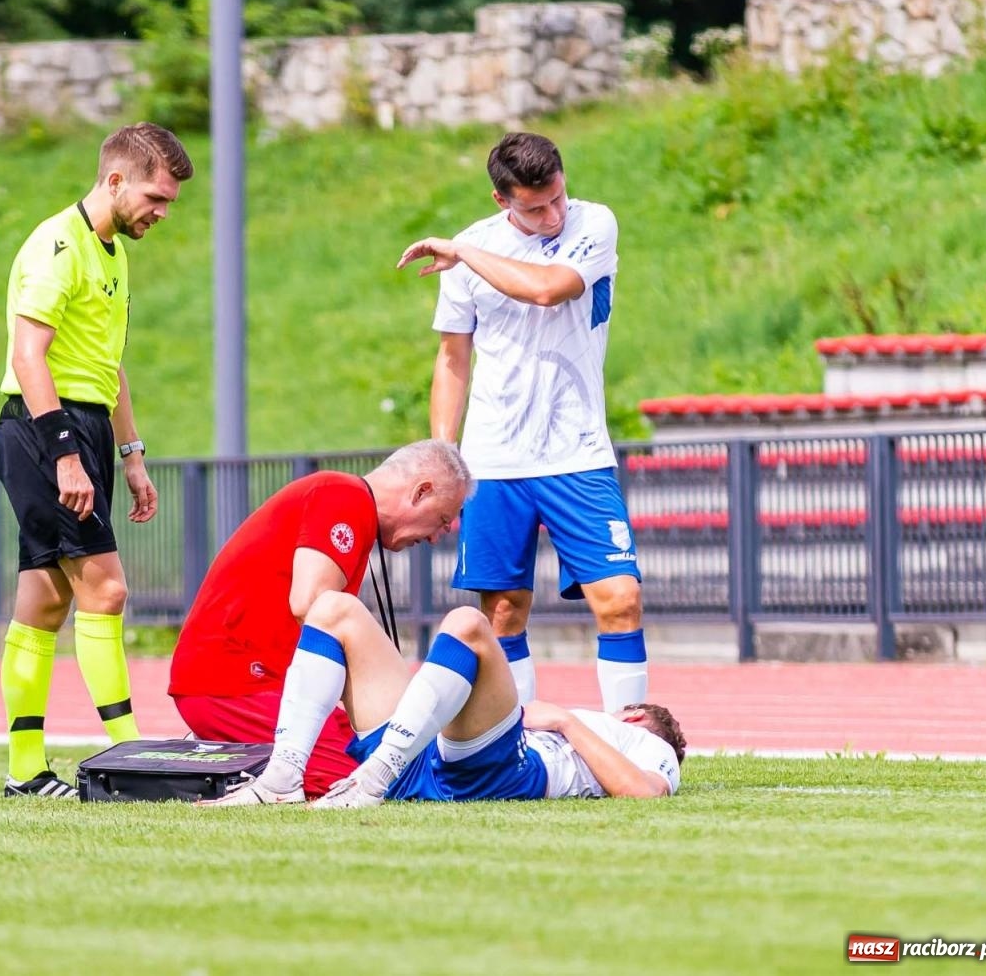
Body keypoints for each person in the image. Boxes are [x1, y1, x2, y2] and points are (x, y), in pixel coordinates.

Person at [399, 130, 647, 715]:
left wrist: (462, 254)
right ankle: (521, 742)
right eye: (534, 208)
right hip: (495, 459)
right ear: (500, 200)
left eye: (557, 198)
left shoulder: (594, 225)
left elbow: (546, 290)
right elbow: (452, 359)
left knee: (619, 600)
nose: (552, 215)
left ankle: (629, 740)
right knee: (503, 611)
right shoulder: (470, 246)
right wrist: (444, 456)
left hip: (577, 452)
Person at [0, 122, 193, 798]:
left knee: (45, 603)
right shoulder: (58, 244)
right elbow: (28, 358)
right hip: (46, 427)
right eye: (155, 198)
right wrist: (66, 458)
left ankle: (25, 769)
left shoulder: (113, 252)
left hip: (83, 425)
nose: (161, 213)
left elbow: (111, 366)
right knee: (105, 590)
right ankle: (127, 753)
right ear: (114, 180)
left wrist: (131, 454)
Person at [169, 440, 471, 798]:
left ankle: (230, 752)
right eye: (441, 520)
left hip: (245, 680)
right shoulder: (344, 495)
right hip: (236, 684)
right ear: (421, 491)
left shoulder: (345, 498)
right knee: (374, 782)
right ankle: (228, 752)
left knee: (383, 764)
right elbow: (310, 604)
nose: (438, 536)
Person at [199, 592, 684, 808]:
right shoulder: (601, 729)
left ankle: (373, 780)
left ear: (636, 715)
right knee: (334, 609)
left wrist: (564, 722)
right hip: (426, 751)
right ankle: (283, 775)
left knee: (469, 624)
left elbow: (645, 793)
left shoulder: (646, 742)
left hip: (500, 769)